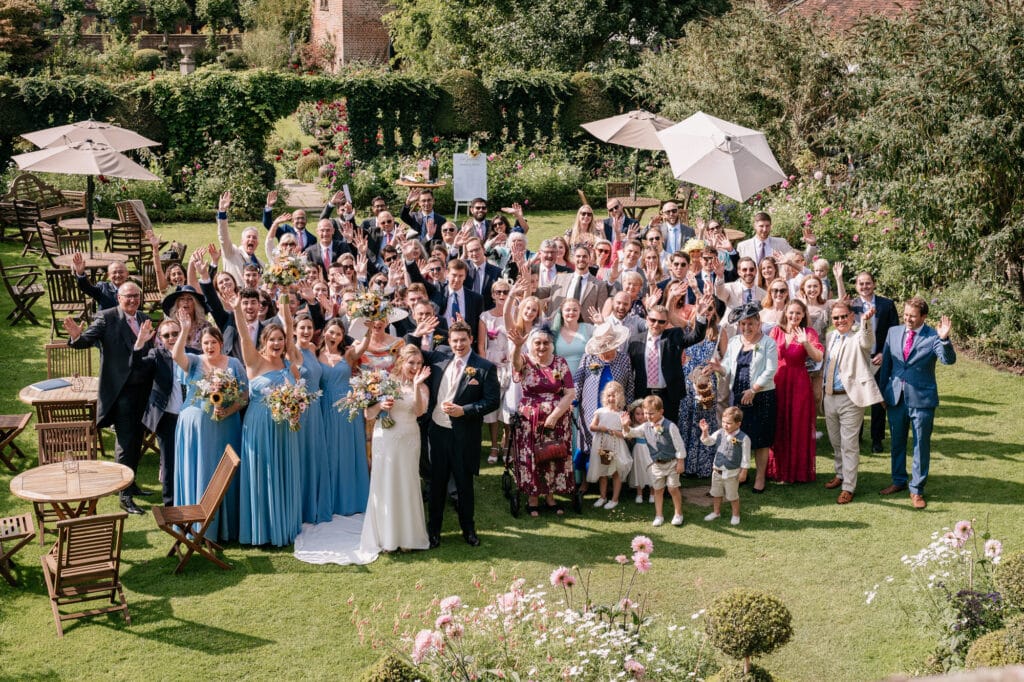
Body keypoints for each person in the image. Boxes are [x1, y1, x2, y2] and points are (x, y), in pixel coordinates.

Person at [64, 281, 154, 515]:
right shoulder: (107, 317)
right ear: (119, 298)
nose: (133, 300)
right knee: (125, 442)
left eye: (136, 295)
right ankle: (123, 495)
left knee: (138, 439)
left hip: (143, 390)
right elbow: (86, 339)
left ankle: (131, 482)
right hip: (120, 392)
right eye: (128, 296)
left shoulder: (144, 317)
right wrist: (76, 337)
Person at [232, 291, 304, 546]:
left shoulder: (288, 366)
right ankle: (262, 530)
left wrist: (296, 407)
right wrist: (237, 310)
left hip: (285, 428)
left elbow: (299, 394)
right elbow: (242, 335)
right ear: (264, 341)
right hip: (260, 426)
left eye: (281, 340)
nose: (277, 343)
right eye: (272, 339)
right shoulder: (255, 361)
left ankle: (283, 524)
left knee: (283, 472)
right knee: (264, 473)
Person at [422, 321, 500, 546]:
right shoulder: (439, 358)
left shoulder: (484, 367)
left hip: (464, 435)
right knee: (436, 484)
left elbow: (492, 401)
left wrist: (463, 410)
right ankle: (434, 531)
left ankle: (468, 530)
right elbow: (412, 350)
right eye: (454, 340)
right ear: (449, 341)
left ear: (471, 340)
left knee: (464, 485)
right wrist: (417, 332)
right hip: (437, 431)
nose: (458, 344)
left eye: (463, 340)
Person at [170, 318, 247, 541]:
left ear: (221, 343)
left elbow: (244, 396)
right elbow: (177, 356)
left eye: (213, 342)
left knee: (222, 472)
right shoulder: (194, 361)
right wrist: (184, 330)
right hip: (194, 428)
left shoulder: (233, 364)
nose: (209, 347)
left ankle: (226, 527)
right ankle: (196, 524)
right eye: (205, 343)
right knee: (199, 469)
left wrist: (229, 410)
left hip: (226, 427)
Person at [878, 296, 955, 510]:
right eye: (905, 315)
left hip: (922, 399)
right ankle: (898, 481)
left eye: (912, 316)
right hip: (895, 397)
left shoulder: (933, 336)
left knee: (921, 444)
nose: (908, 319)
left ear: (923, 316)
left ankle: (917, 489)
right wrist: (883, 394)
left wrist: (945, 339)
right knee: (896, 442)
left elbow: (948, 360)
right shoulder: (893, 332)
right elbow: (887, 364)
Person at [360, 345, 432, 553]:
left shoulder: (423, 387)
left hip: (409, 438)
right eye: (411, 363)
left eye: (419, 364)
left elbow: (419, 412)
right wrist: (380, 406)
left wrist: (417, 385)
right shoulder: (384, 382)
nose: (415, 367)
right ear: (402, 362)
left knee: (407, 482)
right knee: (386, 481)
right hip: (386, 437)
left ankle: (408, 537)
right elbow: (368, 415)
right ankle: (387, 537)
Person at [706, 302, 779, 494]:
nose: (746, 328)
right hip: (738, 394)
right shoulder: (735, 341)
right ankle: (739, 473)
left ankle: (760, 477)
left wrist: (754, 390)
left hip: (761, 395)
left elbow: (771, 370)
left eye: (750, 323)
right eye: (742, 324)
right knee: (737, 435)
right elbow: (728, 368)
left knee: (761, 439)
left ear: (758, 322)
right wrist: (718, 368)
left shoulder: (768, 343)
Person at [508, 325, 576, 518]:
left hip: (558, 418)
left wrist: (554, 416)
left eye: (546, 342)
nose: (541, 346)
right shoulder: (526, 360)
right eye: (537, 342)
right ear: (531, 344)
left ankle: (551, 497)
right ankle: (532, 498)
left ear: (552, 344)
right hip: (530, 418)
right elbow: (515, 365)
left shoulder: (560, 363)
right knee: (533, 456)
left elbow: (570, 393)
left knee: (553, 454)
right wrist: (518, 346)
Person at [822, 301, 883, 504]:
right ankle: (840, 474)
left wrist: (866, 322)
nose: (840, 321)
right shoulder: (830, 337)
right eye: (836, 318)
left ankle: (849, 486)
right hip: (830, 395)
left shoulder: (858, 336)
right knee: (835, 441)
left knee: (849, 444)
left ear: (851, 317)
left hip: (851, 397)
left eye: (843, 317)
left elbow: (867, 340)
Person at [318, 318, 371, 516]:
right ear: (324, 332)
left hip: (347, 407)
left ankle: (350, 500)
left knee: (348, 452)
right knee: (329, 453)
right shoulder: (316, 354)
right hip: (324, 407)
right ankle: (330, 500)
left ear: (342, 337)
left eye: (338, 334)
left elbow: (364, 346)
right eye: (331, 332)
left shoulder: (347, 355)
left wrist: (368, 327)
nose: (334, 336)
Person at [767, 300, 824, 484]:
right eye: (791, 313)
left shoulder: (809, 333)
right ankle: (778, 470)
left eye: (798, 313)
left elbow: (819, 357)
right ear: (786, 313)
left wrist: (806, 343)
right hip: (778, 381)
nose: (794, 317)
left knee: (797, 425)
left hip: (799, 384)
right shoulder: (776, 331)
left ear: (803, 315)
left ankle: (797, 472)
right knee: (779, 424)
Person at [130, 318, 183, 508]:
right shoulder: (156, 355)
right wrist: (139, 343)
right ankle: (170, 505)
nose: (171, 338)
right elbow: (136, 369)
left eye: (175, 333)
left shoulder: (193, 355)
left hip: (190, 418)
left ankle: (191, 499)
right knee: (169, 462)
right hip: (167, 417)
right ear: (160, 339)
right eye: (166, 335)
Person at [628, 301, 710, 424]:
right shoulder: (635, 341)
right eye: (653, 320)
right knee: (644, 434)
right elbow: (631, 370)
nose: (656, 324)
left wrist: (701, 317)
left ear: (667, 323)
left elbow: (696, 336)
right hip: (644, 396)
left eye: (661, 321)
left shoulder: (674, 336)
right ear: (647, 319)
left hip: (668, 396)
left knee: (667, 434)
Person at [851, 271, 900, 453]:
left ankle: (877, 439)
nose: (865, 286)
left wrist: (884, 354)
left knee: (877, 400)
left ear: (874, 284)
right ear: (856, 286)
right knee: (858, 399)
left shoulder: (887, 305)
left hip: (879, 358)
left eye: (868, 283)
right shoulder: (852, 306)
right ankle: (856, 435)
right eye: (861, 283)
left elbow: (894, 333)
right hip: (858, 359)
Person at [572, 322, 634, 463]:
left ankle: (611, 479)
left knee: (612, 440)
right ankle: (586, 481)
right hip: (591, 407)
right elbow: (578, 380)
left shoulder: (624, 358)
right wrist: (574, 399)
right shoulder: (589, 357)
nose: (605, 351)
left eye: (608, 347)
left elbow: (630, 384)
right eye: (602, 347)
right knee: (589, 439)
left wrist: (629, 406)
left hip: (615, 408)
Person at [621, 395, 686, 527]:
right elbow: (630, 433)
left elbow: (679, 445)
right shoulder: (645, 427)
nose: (648, 416)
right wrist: (625, 426)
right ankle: (659, 515)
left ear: (661, 411)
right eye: (646, 413)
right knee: (658, 490)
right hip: (656, 464)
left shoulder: (670, 426)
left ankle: (678, 513)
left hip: (672, 462)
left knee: (673, 488)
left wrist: (680, 462)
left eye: (651, 413)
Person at [679, 307, 728, 478]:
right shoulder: (687, 328)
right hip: (687, 378)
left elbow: (725, 359)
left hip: (707, 379)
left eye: (710, 311)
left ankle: (704, 466)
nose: (707, 314)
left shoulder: (720, 331)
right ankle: (685, 466)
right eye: (703, 310)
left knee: (704, 420)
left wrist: (716, 366)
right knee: (686, 419)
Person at [294, 313, 333, 524]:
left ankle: (315, 505)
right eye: (302, 328)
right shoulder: (292, 351)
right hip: (300, 410)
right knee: (301, 456)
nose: (306, 331)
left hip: (316, 410)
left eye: (309, 327)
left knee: (315, 456)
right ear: (294, 330)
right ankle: (300, 508)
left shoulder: (312, 349)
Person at [700, 407, 751, 526]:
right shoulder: (719, 433)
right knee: (716, 493)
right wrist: (705, 431)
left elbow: (746, 457)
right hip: (717, 470)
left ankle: (736, 515)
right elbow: (708, 441)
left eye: (728, 423)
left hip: (732, 472)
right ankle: (716, 512)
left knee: (732, 495)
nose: (725, 425)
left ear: (738, 424)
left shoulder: (744, 438)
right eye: (723, 422)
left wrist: (744, 471)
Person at [479, 280, 511, 464]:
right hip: (491, 365)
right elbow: (482, 345)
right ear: (492, 294)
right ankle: (493, 444)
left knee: (507, 406)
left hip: (509, 364)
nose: (502, 295)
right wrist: (486, 369)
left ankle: (506, 442)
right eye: (498, 292)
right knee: (492, 408)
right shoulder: (485, 316)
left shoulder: (514, 314)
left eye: (505, 292)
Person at [588, 381, 631, 511]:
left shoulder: (622, 415)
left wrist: (615, 431)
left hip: (616, 446)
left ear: (619, 397)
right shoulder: (600, 412)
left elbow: (626, 434)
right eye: (609, 396)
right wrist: (602, 428)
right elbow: (592, 426)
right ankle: (602, 496)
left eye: (614, 396)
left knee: (615, 472)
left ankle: (615, 499)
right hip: (603, 445)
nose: (611, 399)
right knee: (603, 472)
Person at [736, 211, 817, 266]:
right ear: (755, 226)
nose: (764, 229)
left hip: (777, 289)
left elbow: (803, 261)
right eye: (761, 226)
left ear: (771, 226)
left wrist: (812, 245)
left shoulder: (781, 243)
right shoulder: (743, 246)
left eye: (767, 226)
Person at [626, 401, 654, 503]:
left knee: (651, 470)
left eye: (643, 414)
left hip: (649, 450)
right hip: (638, 450)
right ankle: (639, 494)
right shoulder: (633, 426)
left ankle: (652, 493)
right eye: (638, 414)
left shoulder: (651, 425)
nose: (640, 417)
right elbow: (629, 436)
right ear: (633, 415)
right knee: (638, 470)